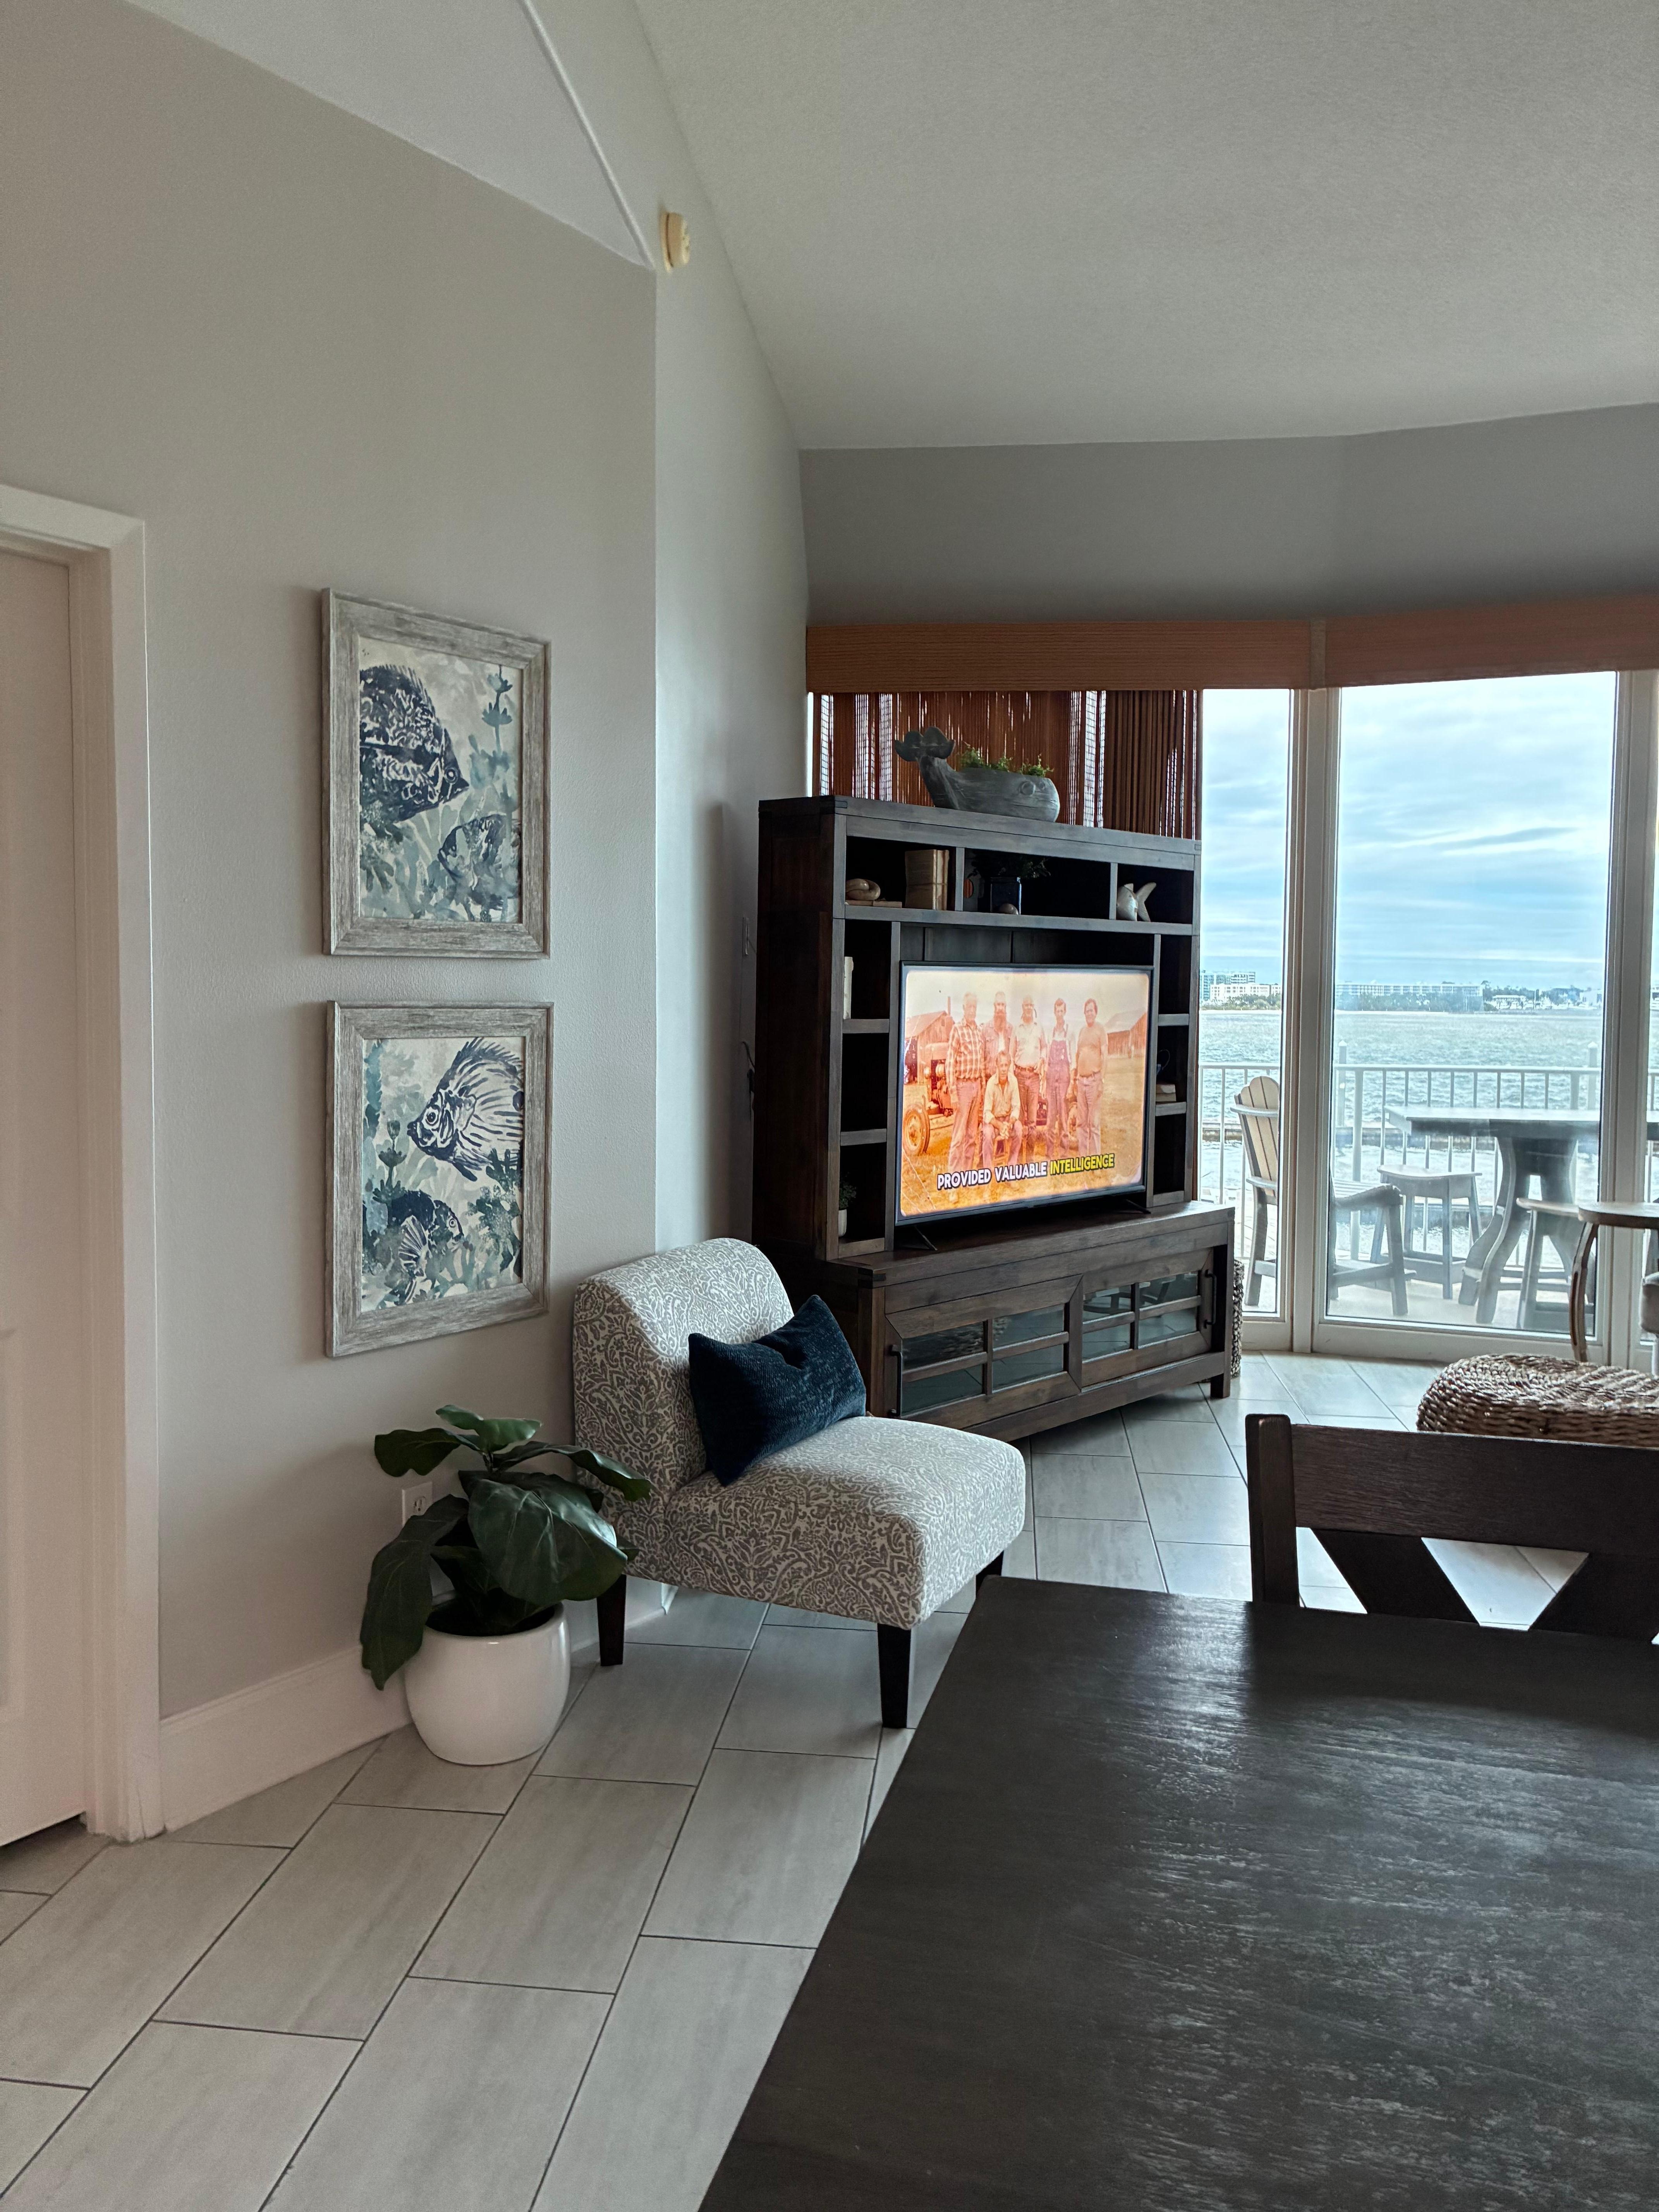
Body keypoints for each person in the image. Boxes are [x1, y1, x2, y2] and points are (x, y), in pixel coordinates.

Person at [945, 992, 986, 1171]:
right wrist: (953, 1093)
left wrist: (982, 1087)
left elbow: (981, 1061)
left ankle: (967, 1174)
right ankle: (954, 1176)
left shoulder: (978, 1031)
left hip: (976, 1086)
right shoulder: (957, 1030)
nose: (972, 1010)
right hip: (962, 1089)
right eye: (969, 1007)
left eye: (975, 1007)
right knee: (959, 1135)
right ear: (964, 1008)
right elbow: (950, 1062)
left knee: (972, 1135)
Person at [1071, 997, 1107, 1157]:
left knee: (1094, 1124)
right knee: (1081, 1123)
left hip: (1094, 1081)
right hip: (1081, 1082)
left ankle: (1096, 1161)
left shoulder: (1101, 1030)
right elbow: (1078, 1055)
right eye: (1087, 1011)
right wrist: (1075, 1079)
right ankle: (1083, 1158)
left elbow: (1105, 1056)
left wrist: (1102, 1081)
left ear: (1096, 1012)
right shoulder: (1082, 1031)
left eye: (1091, 1011)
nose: (1089, 1014)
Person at [1012, 994, 1046, 1159]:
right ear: (1022, 1007)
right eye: (1026, 1005)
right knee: (1019, 1121)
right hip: (1019, 1076)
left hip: (1034, 1078)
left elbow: (1044, 1047)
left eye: (1031, 1005)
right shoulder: (1017, 1028)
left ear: (1034, 1007)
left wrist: (1042, 1060)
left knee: (1032, 1122)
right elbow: (1011, 1053)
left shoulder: (1039, 1028)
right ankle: (1019, 1160)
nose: (1029, 1008)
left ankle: (1030, 1160)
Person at [982, 1045, 1022, 1168]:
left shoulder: (1014, 1081)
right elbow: (987, 1113)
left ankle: (1011, 1166)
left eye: (1006, 1065)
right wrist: (999, 1126)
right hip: (994, 1122)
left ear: (1009, 1066)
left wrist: (1009, 1124)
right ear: (997, 1066)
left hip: (1007, 1120)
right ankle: (988, 1170)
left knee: (1019, 1128)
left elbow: (1016, 1108)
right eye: (1001, 1066)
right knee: (987, 1133)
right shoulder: (991, 1083)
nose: (1004, 1069)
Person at [1045, 998, 1073, 1159]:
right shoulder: (1051, 1032)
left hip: (1064, 1077)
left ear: (1065, 1012)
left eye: (1062, 1011)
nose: (1060, 1014)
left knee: (1063, 1117)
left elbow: (1073, 1061)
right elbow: (1047, 1058)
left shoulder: (1070, 1032)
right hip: (1051, 1077)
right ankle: (1049, 1154)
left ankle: (1063, 1155)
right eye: (1058, 1011)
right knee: (1050, 1118)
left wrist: (1071, 1084)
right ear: (1055, 1012)